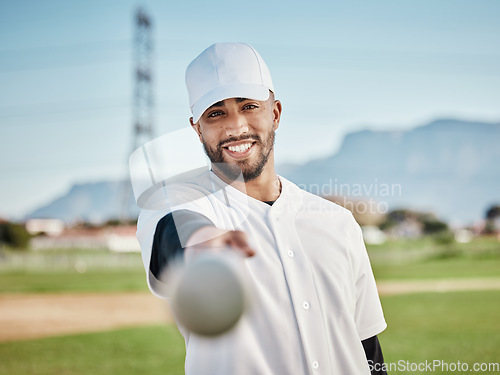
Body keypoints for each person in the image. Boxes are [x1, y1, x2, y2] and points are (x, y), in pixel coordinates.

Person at [136, 42, 387, 375]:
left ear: (276, 113)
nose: (236, 126)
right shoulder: (178, 200)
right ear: (197, 129)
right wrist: (202, 243)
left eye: (249, 106)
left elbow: (367, 348)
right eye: (216, 113)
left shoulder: (337, 222)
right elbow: (175, 226)